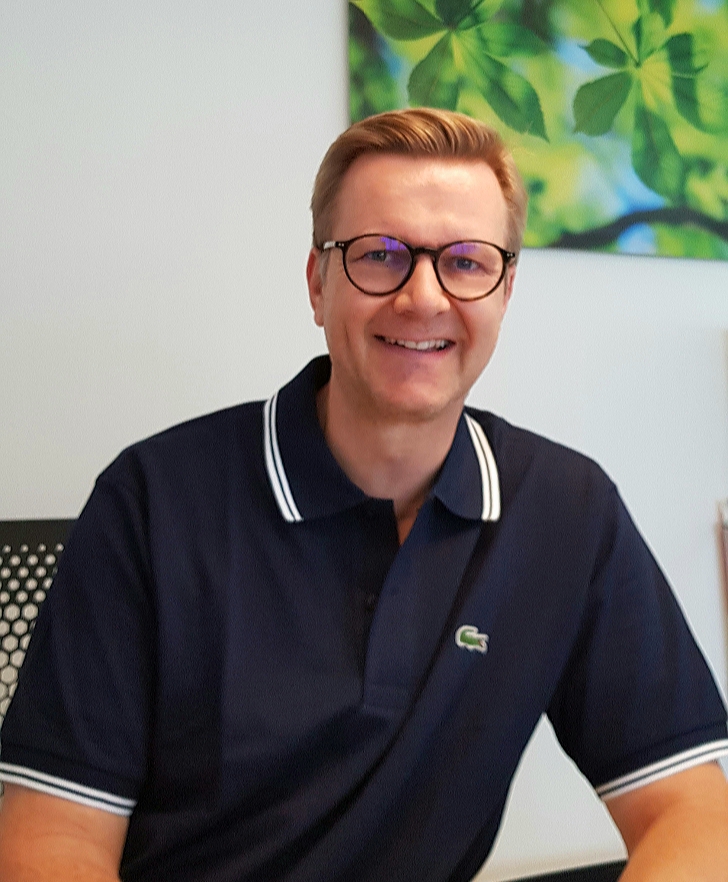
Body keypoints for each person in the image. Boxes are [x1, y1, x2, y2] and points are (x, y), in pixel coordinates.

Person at [0, 107, 727, 882]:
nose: (423, 298)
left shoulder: (566, 511)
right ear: (318, 284)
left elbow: (693, 811)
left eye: (467, 262)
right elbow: (51, 839)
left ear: (505, 291)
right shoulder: (154, 500)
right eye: (380, 254)